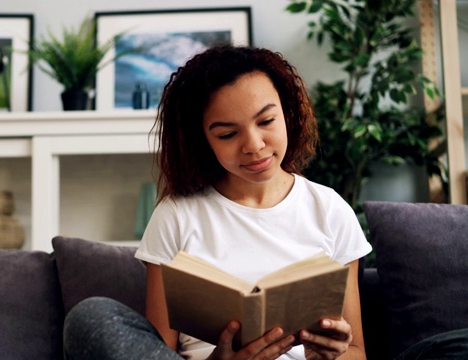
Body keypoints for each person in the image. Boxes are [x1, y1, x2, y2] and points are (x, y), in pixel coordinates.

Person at [64, 45, 372, 360]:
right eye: (227, 135)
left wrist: (330, 355)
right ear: (203, 141)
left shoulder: (329, 209)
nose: (254, 145)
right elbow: (157, 352)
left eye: (266, 121)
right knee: (91, 316)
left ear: (288, 113)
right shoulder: (176, 216)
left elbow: (356, 351)